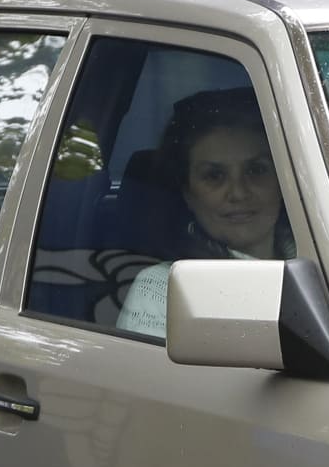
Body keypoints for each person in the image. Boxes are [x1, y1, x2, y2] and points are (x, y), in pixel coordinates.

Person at [115, 89, 294, 339]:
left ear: (283, 181)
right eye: (214, 176)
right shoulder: (163, 289)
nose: (239, 193)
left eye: (256, 170)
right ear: (188, 193)